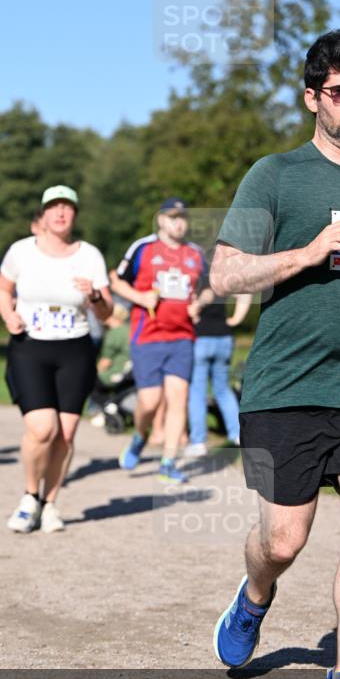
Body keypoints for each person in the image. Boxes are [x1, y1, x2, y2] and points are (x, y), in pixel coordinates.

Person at [210, 30, 340, 679]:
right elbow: (224, 272)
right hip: (288, 386)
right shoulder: (276, 174)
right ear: (312, 98)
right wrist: (309, 251)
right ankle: (254, 596)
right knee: (283, 540)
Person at [0, 184, 113, 533]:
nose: (60, 213)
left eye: (67, 207)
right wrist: (7, 314)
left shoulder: (89, 255)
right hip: (30, 345)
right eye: (53, 207)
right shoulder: (21, 251)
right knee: (42, 428)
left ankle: (50, 504)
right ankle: (30, 496)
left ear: (74, 214)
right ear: (43, 215)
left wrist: (93, 295)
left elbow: (107, 314)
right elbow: (1, 288)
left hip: (74, 349)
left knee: (66, 434)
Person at [111, 199, 210, 483]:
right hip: (148, 336)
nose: (178, 223)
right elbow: (116, 280)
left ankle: (168, 462)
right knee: (150, 402)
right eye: (172, 217)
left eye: (183, 218)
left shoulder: (195, 254)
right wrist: (140, 298)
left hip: (182, 337)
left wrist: (198, 304)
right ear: (161, 221)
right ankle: (140, 437)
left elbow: (210, 288)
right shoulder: (143, 248)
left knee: (178, 397)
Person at [184, 291, 252, 457]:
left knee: (197, 391)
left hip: (201, 338)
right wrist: (236, 319)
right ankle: (238, 435)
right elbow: (245, 293)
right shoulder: (225, 277)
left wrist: (196, 306)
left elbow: (206, 294)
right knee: (222, 390)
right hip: (224, 337)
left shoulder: (199, 275)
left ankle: (198, 442)